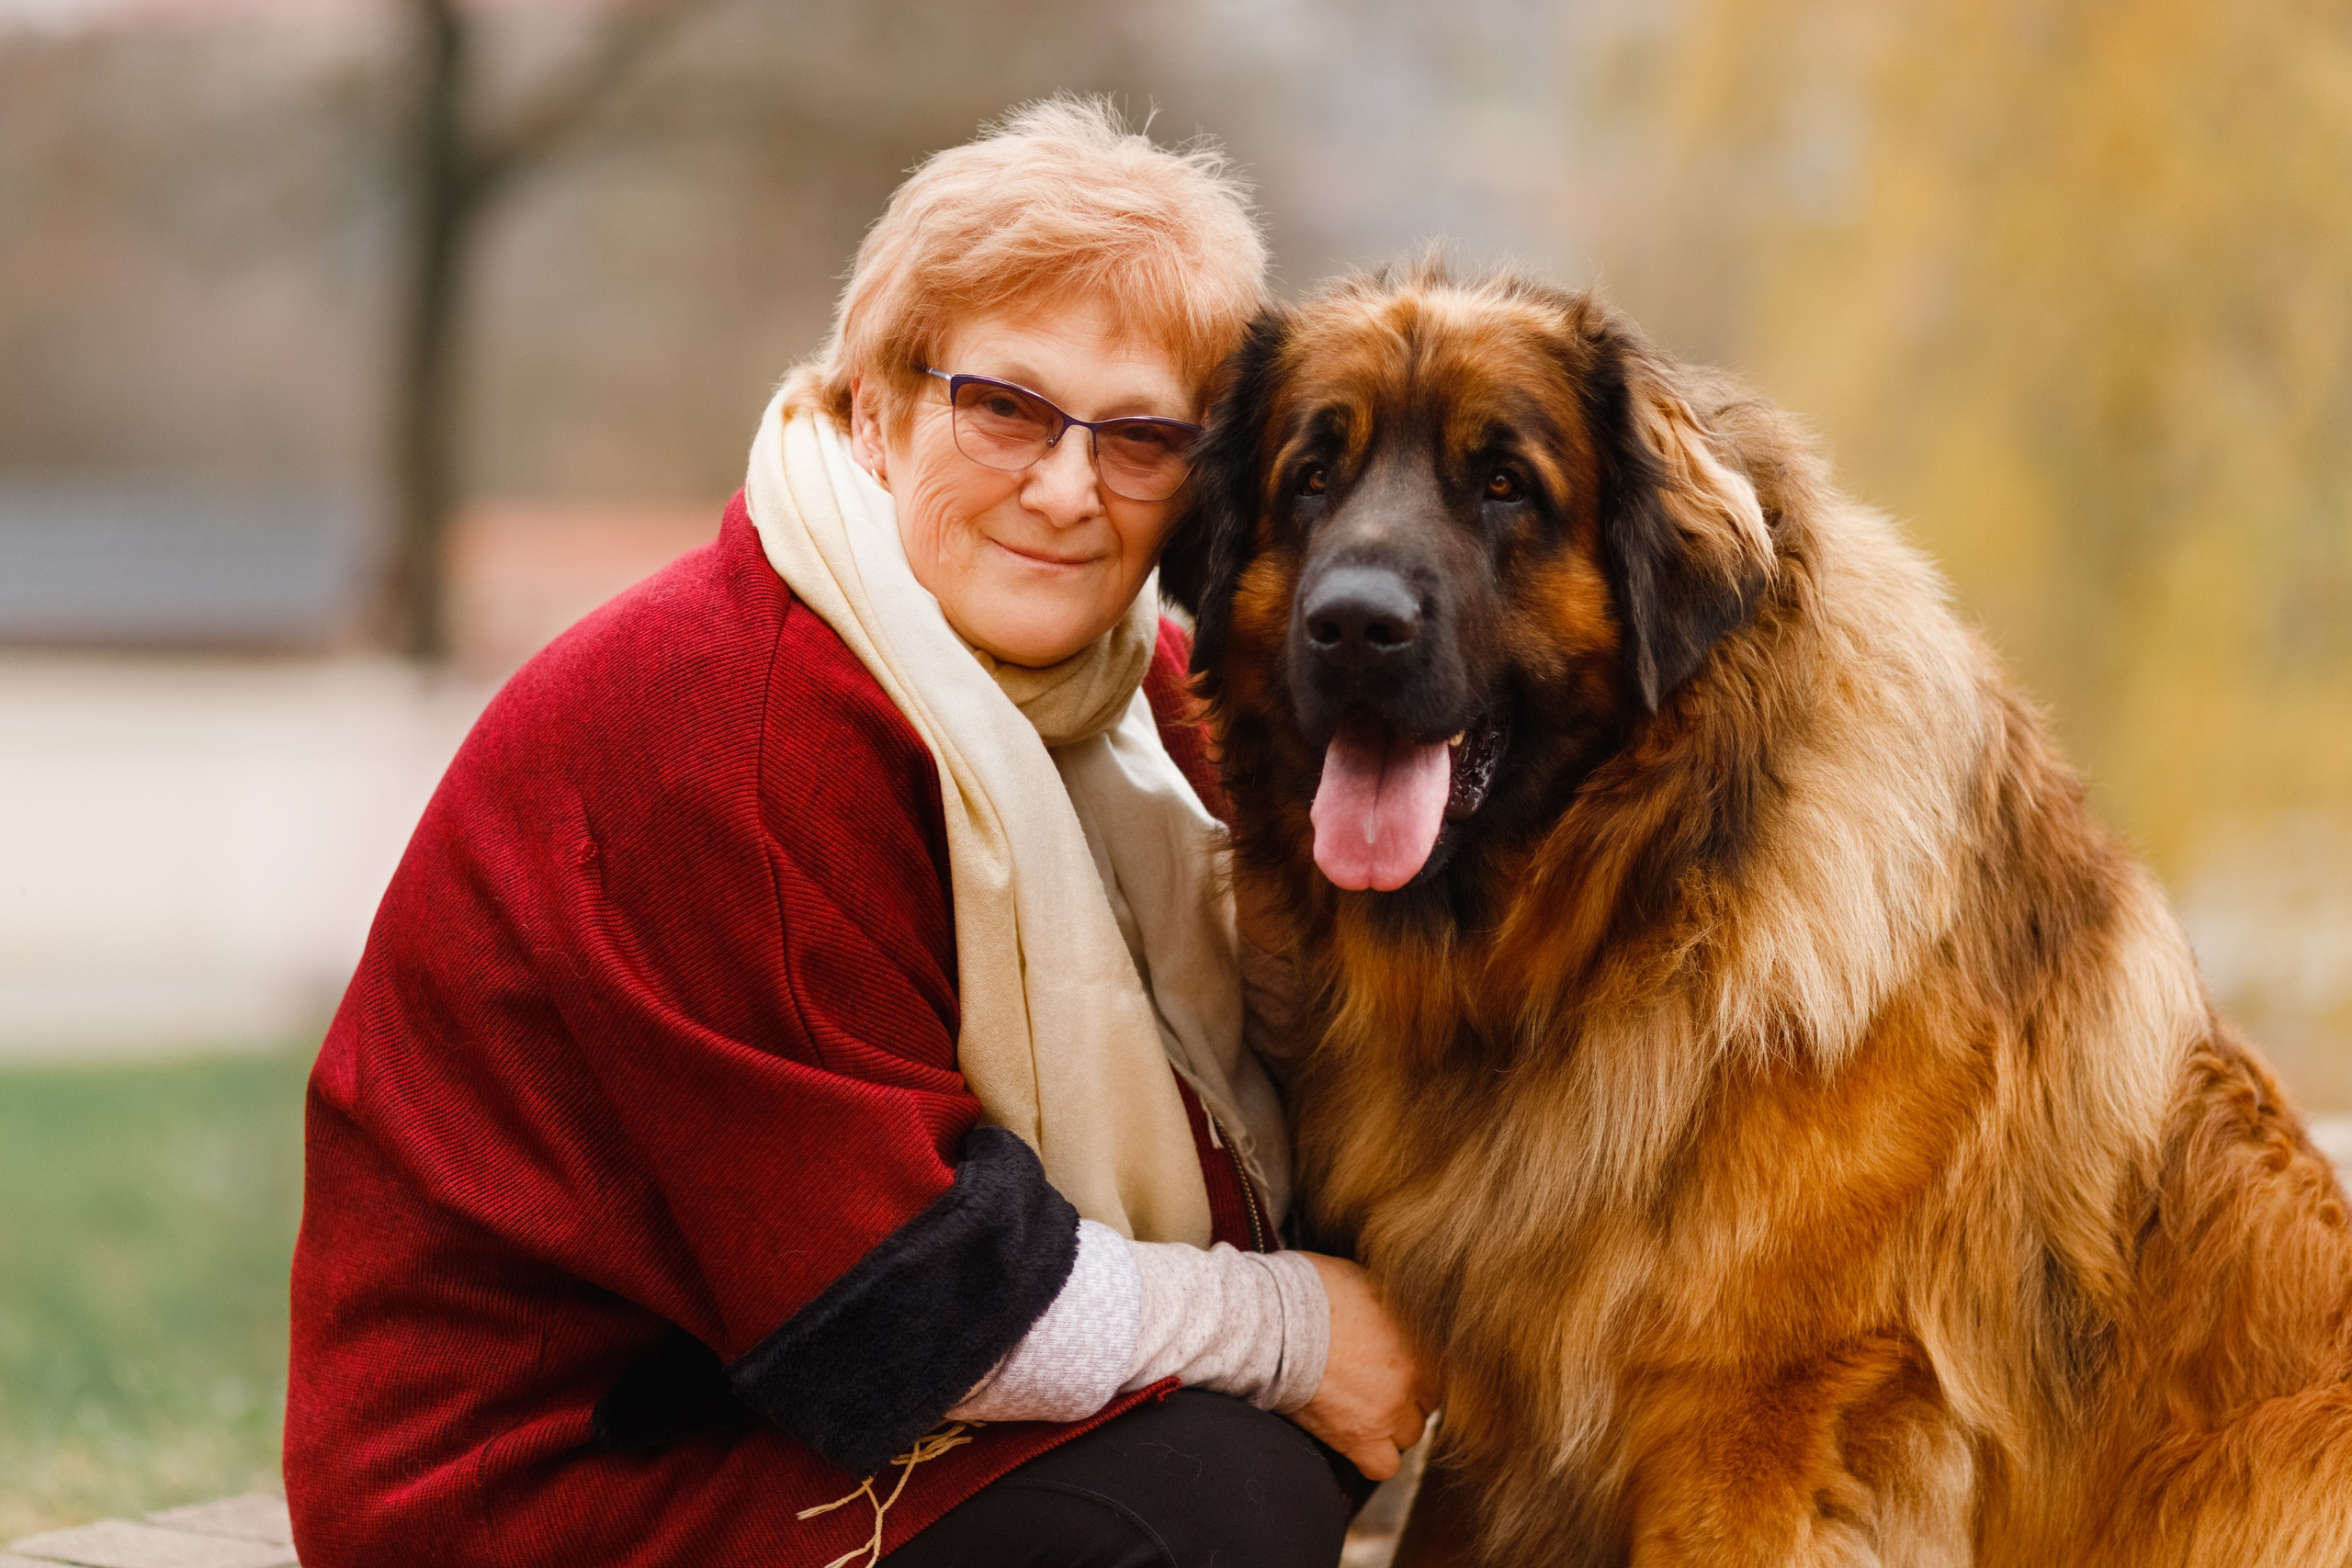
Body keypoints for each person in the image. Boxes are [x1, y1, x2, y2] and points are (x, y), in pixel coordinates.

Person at [285, 98, 1438, 1568]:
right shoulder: (722, 723)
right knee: (1212, 1503)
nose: (1065, 490)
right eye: (1004, 408)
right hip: (552, 1477)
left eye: (1143, 438)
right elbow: (905, 1303)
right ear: (872, 409)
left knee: (1270, 1461)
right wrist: (1294, 1325)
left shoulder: (1139, 696)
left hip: (780, 1400)